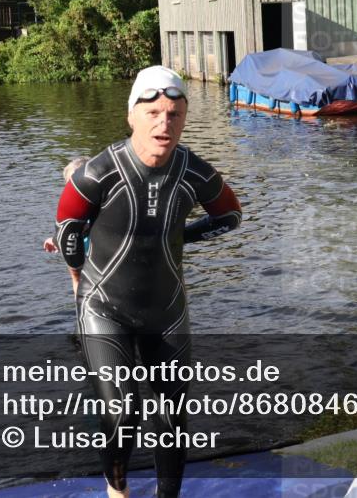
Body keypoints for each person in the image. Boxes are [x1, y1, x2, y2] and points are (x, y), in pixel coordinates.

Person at [54, 66, 242, 498]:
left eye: (175, 114)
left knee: (171, 418)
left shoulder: (194, 171)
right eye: (154, 112)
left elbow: (230, 216)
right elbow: (67, 231)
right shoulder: (97, 173)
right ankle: (117, 492)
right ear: (131, 116)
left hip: (167, 309)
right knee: (122, 412)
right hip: (104, 306)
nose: (165, 123)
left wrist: (180, 236)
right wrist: (78, 281)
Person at [44, 155, 91, 295]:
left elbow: (81, 228)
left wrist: (57, 239)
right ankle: (82, 312)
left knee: (79, 279)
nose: (74, 191)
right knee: (78, 278)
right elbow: (70, 230)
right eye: (70, 186)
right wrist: (56, 240)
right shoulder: (71, 208)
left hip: (100, 256)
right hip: (83, 253)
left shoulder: (98, 203)